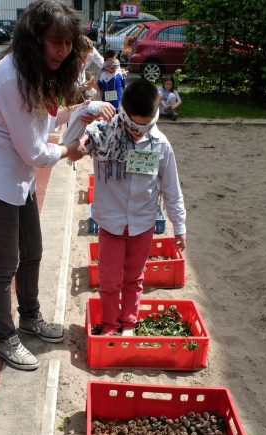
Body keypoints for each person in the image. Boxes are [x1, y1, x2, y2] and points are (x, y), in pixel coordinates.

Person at [0, 0, 87, 371]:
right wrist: (70, 150)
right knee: (5, 264)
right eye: (55, 42)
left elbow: (44, 124)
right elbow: (35, 150)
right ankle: (5, 337)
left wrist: (82, 111)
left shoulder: (34, 72)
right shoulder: (10, 79)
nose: (62, 51)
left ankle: (30, 316)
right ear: (34, 40)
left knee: (32, 251)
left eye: (68, 43)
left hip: (19, 179)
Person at [64, 79, 187, 336]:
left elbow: (171, 189)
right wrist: (84, 113)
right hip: (111, 223)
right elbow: (71, 149)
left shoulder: (160, 145)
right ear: (122, 112)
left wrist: (179, 227)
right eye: (132, 126)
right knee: (109, 281)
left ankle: (129, 323)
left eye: (145, 126)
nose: (138, 133)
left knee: (134, 277)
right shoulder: (102, 134)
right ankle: (110, 323)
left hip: (143, 224)